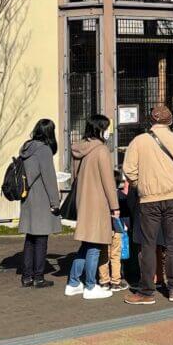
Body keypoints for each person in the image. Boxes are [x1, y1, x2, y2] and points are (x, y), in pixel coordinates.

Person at [122, 104, 173, 305]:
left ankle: (147, 292)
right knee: (172, 244)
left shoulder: (139, 141)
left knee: (148, 245)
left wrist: (139, 184)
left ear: (151, 121)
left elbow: (129, 170)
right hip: (172, 198)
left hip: (148, 200)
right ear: (170, 121)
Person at [68, 115, 119, 300]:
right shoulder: (101, 151)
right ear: (99, 129)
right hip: (98, 203)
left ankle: (73, 282)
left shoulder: (79, 148)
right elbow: (108, 181)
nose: (108, 132)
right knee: (95, 246)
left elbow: (75, 177)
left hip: (83, 201)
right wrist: (115, 206)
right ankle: (90, 285)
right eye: (106, 128)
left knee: (86, 243)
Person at [17, 119, 61, 288]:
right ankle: (38, 277)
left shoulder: (26, 148)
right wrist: (55, 202)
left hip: (27, 198)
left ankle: (26, 276)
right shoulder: (44, 150)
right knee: (41, 239)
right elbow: (49, 179)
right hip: (41, 199)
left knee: (30, 238)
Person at [97, 173, 130, 292]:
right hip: (117, 228)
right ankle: (116, 281)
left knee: (103, 254)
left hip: (103, 228)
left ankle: (104, 281)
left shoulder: (100, 195)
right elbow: (126, 214)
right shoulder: (121, 196)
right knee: (116, 255)